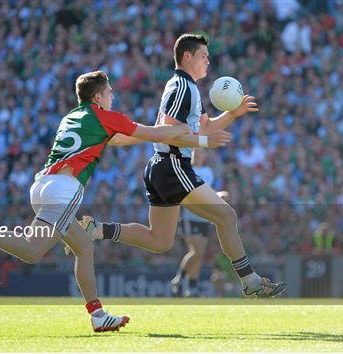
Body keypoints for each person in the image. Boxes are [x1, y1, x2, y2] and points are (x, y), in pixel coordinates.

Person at [0, 70, 228, 332]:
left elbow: (121, 139)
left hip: (42, 184)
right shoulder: (106, 117)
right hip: (64, 190)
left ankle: (98, 316)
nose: (113, 95)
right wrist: (196, 136)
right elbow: (157, 134)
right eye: (109, 91)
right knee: (32, 250)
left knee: (84, 247)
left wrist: (161, 132)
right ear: (97, 97)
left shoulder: (73, 116)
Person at [80, 34, 287, 298]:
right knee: (226, 216)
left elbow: (205, 127)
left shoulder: (188, 88)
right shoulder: (182, 86)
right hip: (172, 163)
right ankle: (251, 281)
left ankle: (97, 229)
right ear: (187, 56)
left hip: (161, 166)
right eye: (204, 56)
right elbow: (168, 129)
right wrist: (203, 141)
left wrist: (232, 114)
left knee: (160, 241)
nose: (208, 62)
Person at [170, 148, 227, 297]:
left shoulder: (208, 171)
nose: (199, 155)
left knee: (199, 254)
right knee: (197, 251)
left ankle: (191, 287)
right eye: (196, 153)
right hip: (190, 216)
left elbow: (207, 191)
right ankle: (178, 279)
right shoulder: (189, 170)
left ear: (205, 156)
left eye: (201, 153)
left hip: (204, 217)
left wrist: (217, 195)